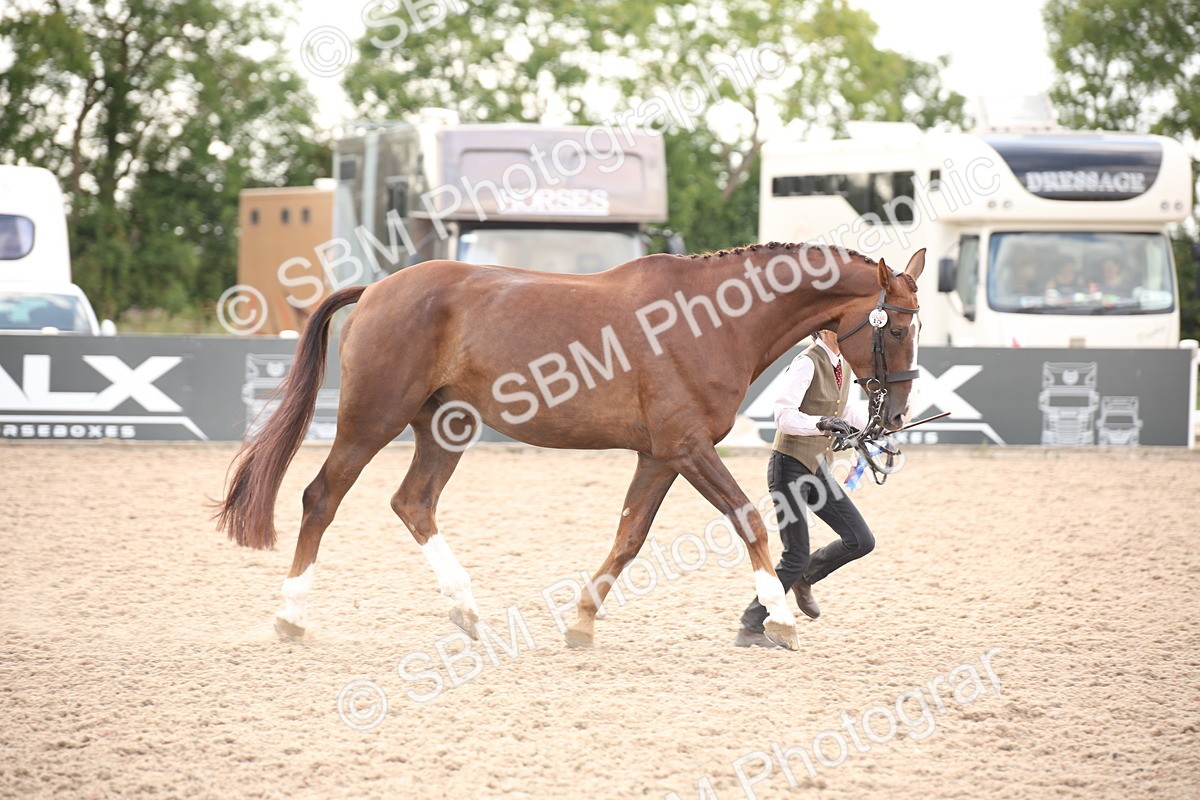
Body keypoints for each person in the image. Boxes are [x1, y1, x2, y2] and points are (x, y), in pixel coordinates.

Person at [735, 329, 876, 648]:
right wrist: (821, 423)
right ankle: (750, 627)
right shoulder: (806, 363)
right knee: (795, 555)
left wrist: (875, 425)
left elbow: (847, 412)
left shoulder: (844, 363)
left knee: (861, 540)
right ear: (827, 331)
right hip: (790, 466)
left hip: (819, 468)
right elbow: (783, 417)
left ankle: (806, 576)